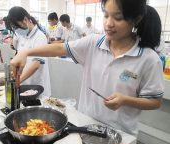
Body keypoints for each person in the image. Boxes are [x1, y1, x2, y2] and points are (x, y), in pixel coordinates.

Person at [10, 0, 164, 135]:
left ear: (136, 19)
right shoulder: (93, 43)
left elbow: (155, 101)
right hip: (84, 126)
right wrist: (26, 52)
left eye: (118, 18)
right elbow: (59, 49)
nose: (108, 23)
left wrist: (125, 100)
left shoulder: (148, 59)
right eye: (106, 15)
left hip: (122, 134)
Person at [7, 6, 51, 96]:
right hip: (25, 85)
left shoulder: (40, 37)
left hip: (37, 86)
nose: (16, 30)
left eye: (16, 27)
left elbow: (35, 65)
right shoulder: (22, 37)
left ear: (25, 19)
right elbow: (20, 58)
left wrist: (17, 82)